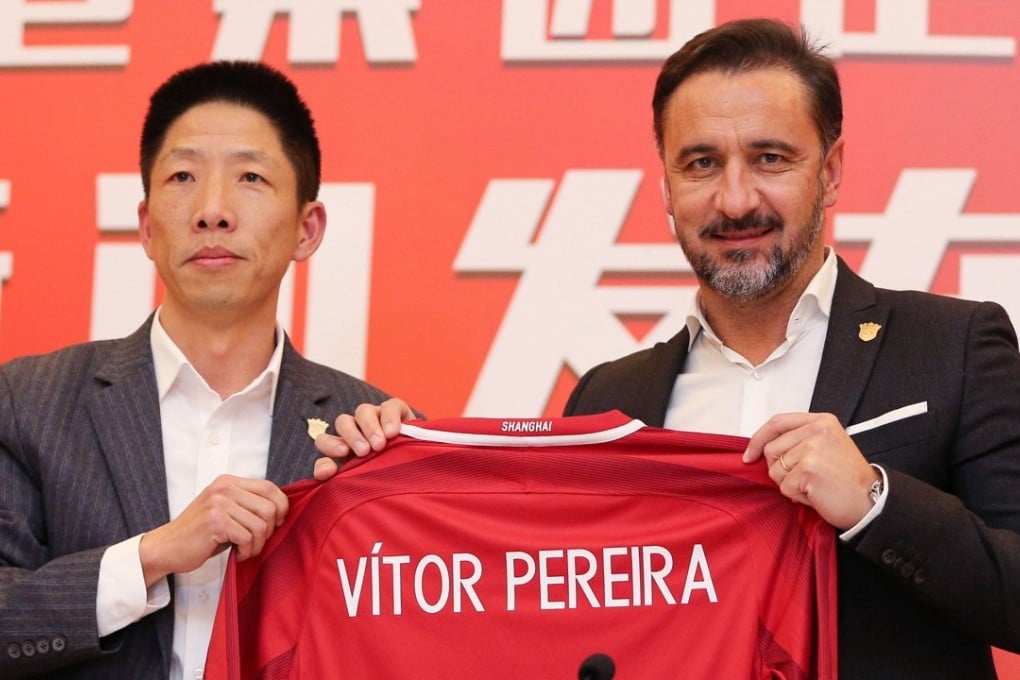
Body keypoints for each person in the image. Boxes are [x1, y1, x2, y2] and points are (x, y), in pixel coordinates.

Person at [314, 19, 1020, 679]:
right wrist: (394, 481)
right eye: (701, 163)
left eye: (770, 158)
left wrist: (874, 500)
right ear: (666, 186)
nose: (735, 200)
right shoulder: (611, 397)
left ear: (830, 171)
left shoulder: (953, 345)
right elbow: (545, 604)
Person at [0, 61, 410, 679]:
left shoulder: (368, 438)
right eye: (183, 176)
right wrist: (149, 557)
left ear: (307, 229)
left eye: (250, 177)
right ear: (146, 226)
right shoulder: (28, 403)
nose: (212, 211)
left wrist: (394, 482)